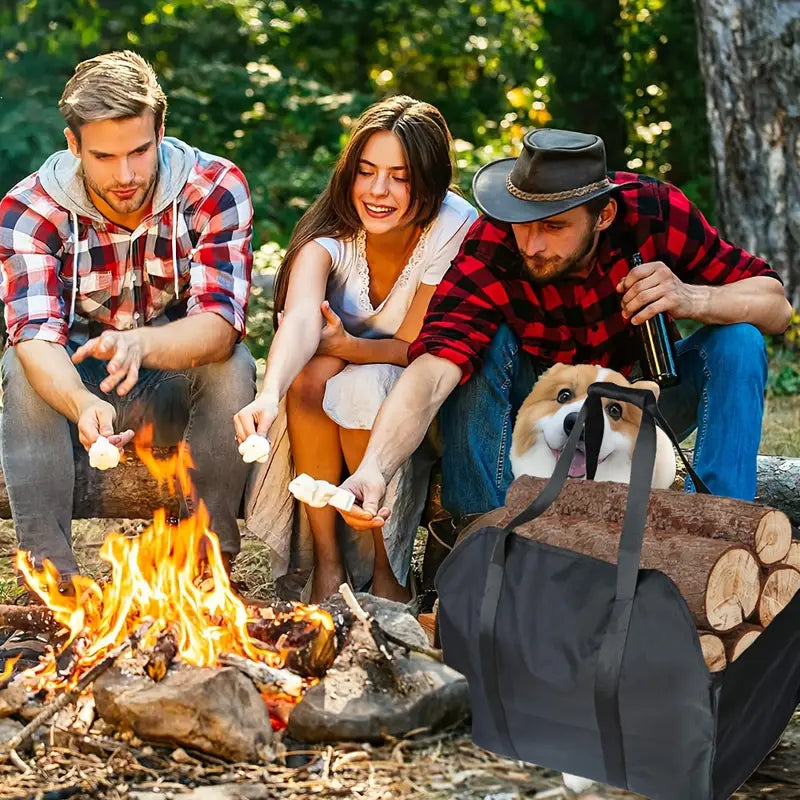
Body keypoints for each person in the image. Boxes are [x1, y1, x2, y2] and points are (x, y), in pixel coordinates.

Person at [335, 127, 794, 534]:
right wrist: (374, 470)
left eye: (554, 227)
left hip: (639, 402)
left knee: (739, 340)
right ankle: (482, 533)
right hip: (535, 415)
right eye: (523, 224)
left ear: (605, 215)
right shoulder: (493, 241)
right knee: (473, 348)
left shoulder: (654, 212)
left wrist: (694, 299)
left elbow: (777, 309)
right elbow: (434, 369)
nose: (532, 245)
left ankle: (716, 531)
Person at [0, 51, 256, 594]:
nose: (126, 175)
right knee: (20, 371)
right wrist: (79, 401)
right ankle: (51, 586)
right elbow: (35, 338)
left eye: (141, 151)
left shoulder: (213, 188)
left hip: (171, 384)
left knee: (234, 365)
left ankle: (209, 568)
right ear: (73, 145)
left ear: (162, 128)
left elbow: (220, 324)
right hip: (78, 394)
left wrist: (143, 344)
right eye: (104, 156)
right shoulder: (30, 208)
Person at [233, 96, 477, 603]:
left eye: (399, 176)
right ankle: (328, 564)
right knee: (309, 376)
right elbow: (301, 319)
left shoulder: (452, 225)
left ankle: (389, 574)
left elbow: (414, 347)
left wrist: (345, 345)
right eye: (366, 172)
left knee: (354, 381)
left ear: (428, 181)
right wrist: (268, 392)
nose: (378, 191)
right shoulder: (331, 232)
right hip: (331, 392)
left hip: (420, 398)